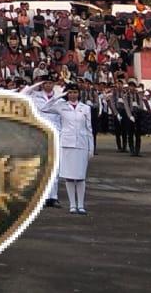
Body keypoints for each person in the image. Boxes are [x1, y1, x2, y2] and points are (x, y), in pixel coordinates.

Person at [53, 85, 95, 214]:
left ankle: (81, 205)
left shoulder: (85, 108)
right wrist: (59, 95)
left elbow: (89, 129)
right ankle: (72, 205)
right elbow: (45, 107)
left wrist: (91, 148)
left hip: (82, 144)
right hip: (67, 144)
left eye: (75, 92)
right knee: (69, 176)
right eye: (70, 92)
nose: (72, 95)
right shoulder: (62, 106)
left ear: (79, 93)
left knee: (81, 176)